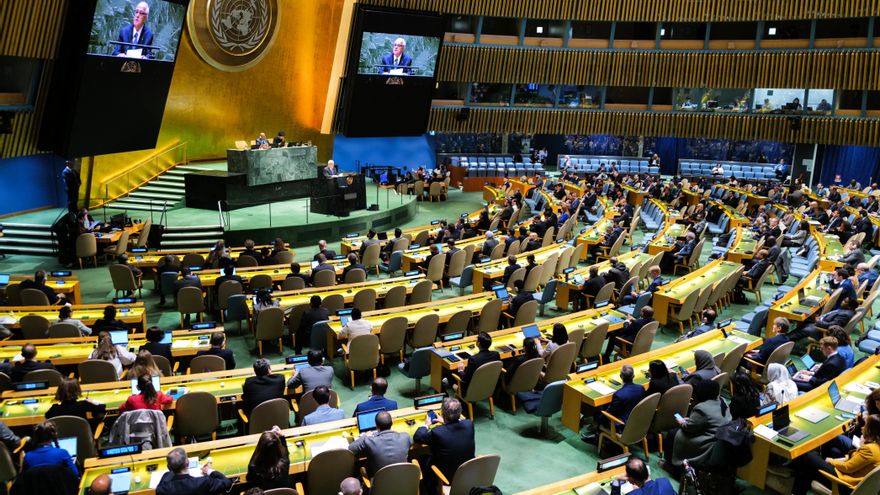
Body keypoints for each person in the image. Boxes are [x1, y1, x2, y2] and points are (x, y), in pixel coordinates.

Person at [791, 414, 880, 495]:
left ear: (870, 430)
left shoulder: (870, 449)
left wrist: (830, 461)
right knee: (810, 466)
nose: (862, 428)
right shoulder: (875, 447)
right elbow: (857, 459)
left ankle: (795, 487)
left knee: (807, 456)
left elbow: (847, 468)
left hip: (843, 483)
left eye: (865, 425)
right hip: (852, 479)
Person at [412, 398, 475, 489]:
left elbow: (418, 437)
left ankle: (430, 488)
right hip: (466, 474)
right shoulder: (469, 424)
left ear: (443, 413)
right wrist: (445, 421)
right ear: (460, 412)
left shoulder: (437, 432)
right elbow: (460, 422)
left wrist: (426, 425)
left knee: (422, 458)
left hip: (446, 478)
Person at [669, 379, 730, 467]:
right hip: (718, 439)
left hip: (706, 442)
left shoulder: (702, 408)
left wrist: (682, 421)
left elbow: (688, 427)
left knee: (673, 434)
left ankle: (674, 466)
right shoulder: (723, 401)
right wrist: (691, 420)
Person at [583, 365, 646, 442]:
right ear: (633, 376)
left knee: (598, 414)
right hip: (638, 421)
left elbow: (610, 414)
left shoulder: (619, 394)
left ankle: (597, 437)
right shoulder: (641, 388)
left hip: (622, 425)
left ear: (621, 376)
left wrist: (599, 419)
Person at [348, 411, 413, 478]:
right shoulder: (405, 437)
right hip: (403, 481)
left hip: (380, 485)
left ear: (376, 426)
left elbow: (351, 448)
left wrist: (365, 436)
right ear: (392, 423)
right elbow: (411, 443)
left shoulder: (369, 441)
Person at [156, 447, 233, 495]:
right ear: (187, 462)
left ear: (169, 467)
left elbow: (168, 475)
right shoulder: (203, 482)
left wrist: (172, 467)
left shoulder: (162, 489)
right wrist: (210, 471)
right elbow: (227, 482)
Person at [611, 457, 676, 495]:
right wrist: (641, 489)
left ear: (631, 479)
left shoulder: (633, 494)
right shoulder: (665, 481)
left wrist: (616, 480)